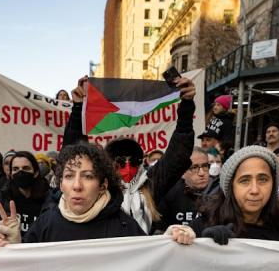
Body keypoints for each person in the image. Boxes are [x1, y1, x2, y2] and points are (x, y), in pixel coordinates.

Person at [62, 74, 197, 234]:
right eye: (119, 161)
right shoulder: (99, 188)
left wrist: (187, 107)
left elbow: (178, 154)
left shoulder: (151, 184)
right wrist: (78, 109)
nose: (127, 167)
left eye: (133, 161)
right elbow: (75, 155)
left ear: (141, 162)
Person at [0, 143, 143, 249]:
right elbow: (27, 269)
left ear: (103, 185)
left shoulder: (125, 226)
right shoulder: (46, 222)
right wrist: (15, 245)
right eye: (69, 176)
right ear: (61, 184)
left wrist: (166, 241)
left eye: (88, 176)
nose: (77, 186)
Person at [168, 145, 279, 246]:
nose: (254, 190)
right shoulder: (205, 224)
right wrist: (196, 240)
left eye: (263, 179)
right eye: (244, 180)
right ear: (231, 187)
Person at [0, 151, 49, 235]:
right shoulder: (3, 198)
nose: (20, 172)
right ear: (11, 174)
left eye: (26, 168)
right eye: (15, 169)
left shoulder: (49, 199)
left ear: (36, 173)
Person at [155, 147, 212, 231]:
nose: (201, 173)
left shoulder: (221, 193)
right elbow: (159, 233)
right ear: (182, 171)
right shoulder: (168, 194)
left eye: (205, 166)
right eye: (194, 167)